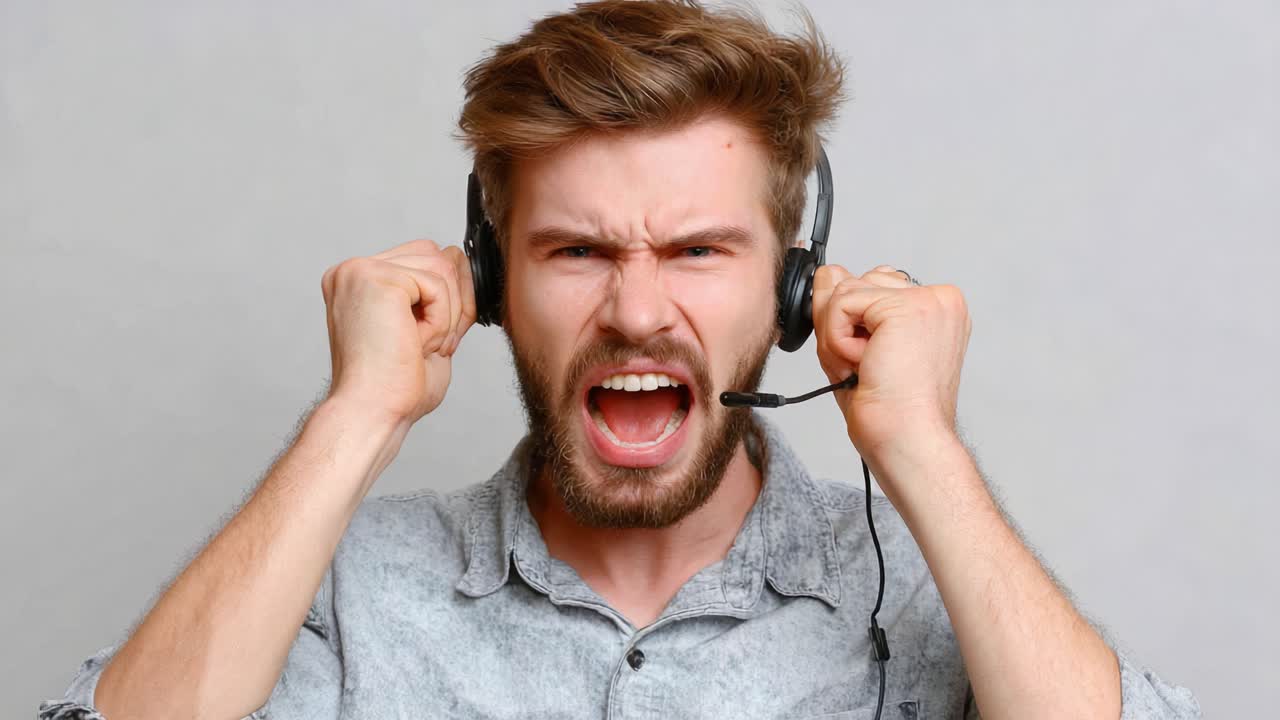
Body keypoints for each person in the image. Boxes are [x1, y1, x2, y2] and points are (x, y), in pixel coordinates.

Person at [39, 1, 1202, 718]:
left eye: (698, 249)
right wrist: (355, 416)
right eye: (576, 250)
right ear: (491, 285)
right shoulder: (344, 591)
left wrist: (919, 448)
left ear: (794, 288)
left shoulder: (925, 591)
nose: (636, 310)